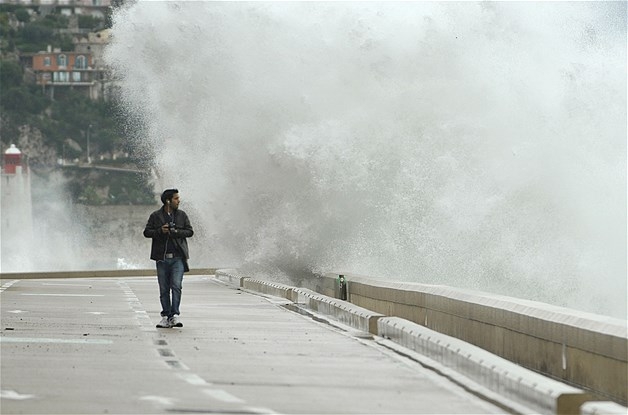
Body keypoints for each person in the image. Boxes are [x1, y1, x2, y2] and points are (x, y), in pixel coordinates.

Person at [143, 188, 194, 328]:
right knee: (164, 288)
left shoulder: (182, 215)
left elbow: (190, 231)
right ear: (168, 201)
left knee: (176, 286)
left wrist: (175, 231)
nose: (179, 201)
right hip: (161, 258)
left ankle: (174, 315)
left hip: (178, 258)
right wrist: (161, 231)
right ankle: (166, 316)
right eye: (176, 198)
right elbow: (147, 232)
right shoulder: (155, 216)